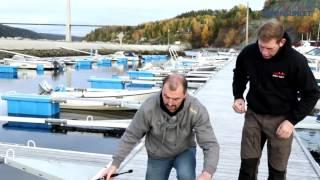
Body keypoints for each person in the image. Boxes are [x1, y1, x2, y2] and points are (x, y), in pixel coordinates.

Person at [232, 19, 320, 180]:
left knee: (277, 172)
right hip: (254, 116)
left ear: (282, 42)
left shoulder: (296, 61)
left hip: (282, 119)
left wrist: (292, 121)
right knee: (247, 167)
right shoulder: (249, 53)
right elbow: (239, 74)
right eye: (261, 46)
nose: (264, 52)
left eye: (269, 48)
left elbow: (312, 93)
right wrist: (238, 96)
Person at [100, 74, 220, 180]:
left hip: (184, 151)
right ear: (162, 90)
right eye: (166, 96)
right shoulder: (149, 107)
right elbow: (132, 135)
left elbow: (210, 143)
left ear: (185, 95)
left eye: (176, 99)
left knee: (186, 176)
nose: (170, 103)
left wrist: (207, 173)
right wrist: (115, 164)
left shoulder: (196, 109)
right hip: (158, 154)